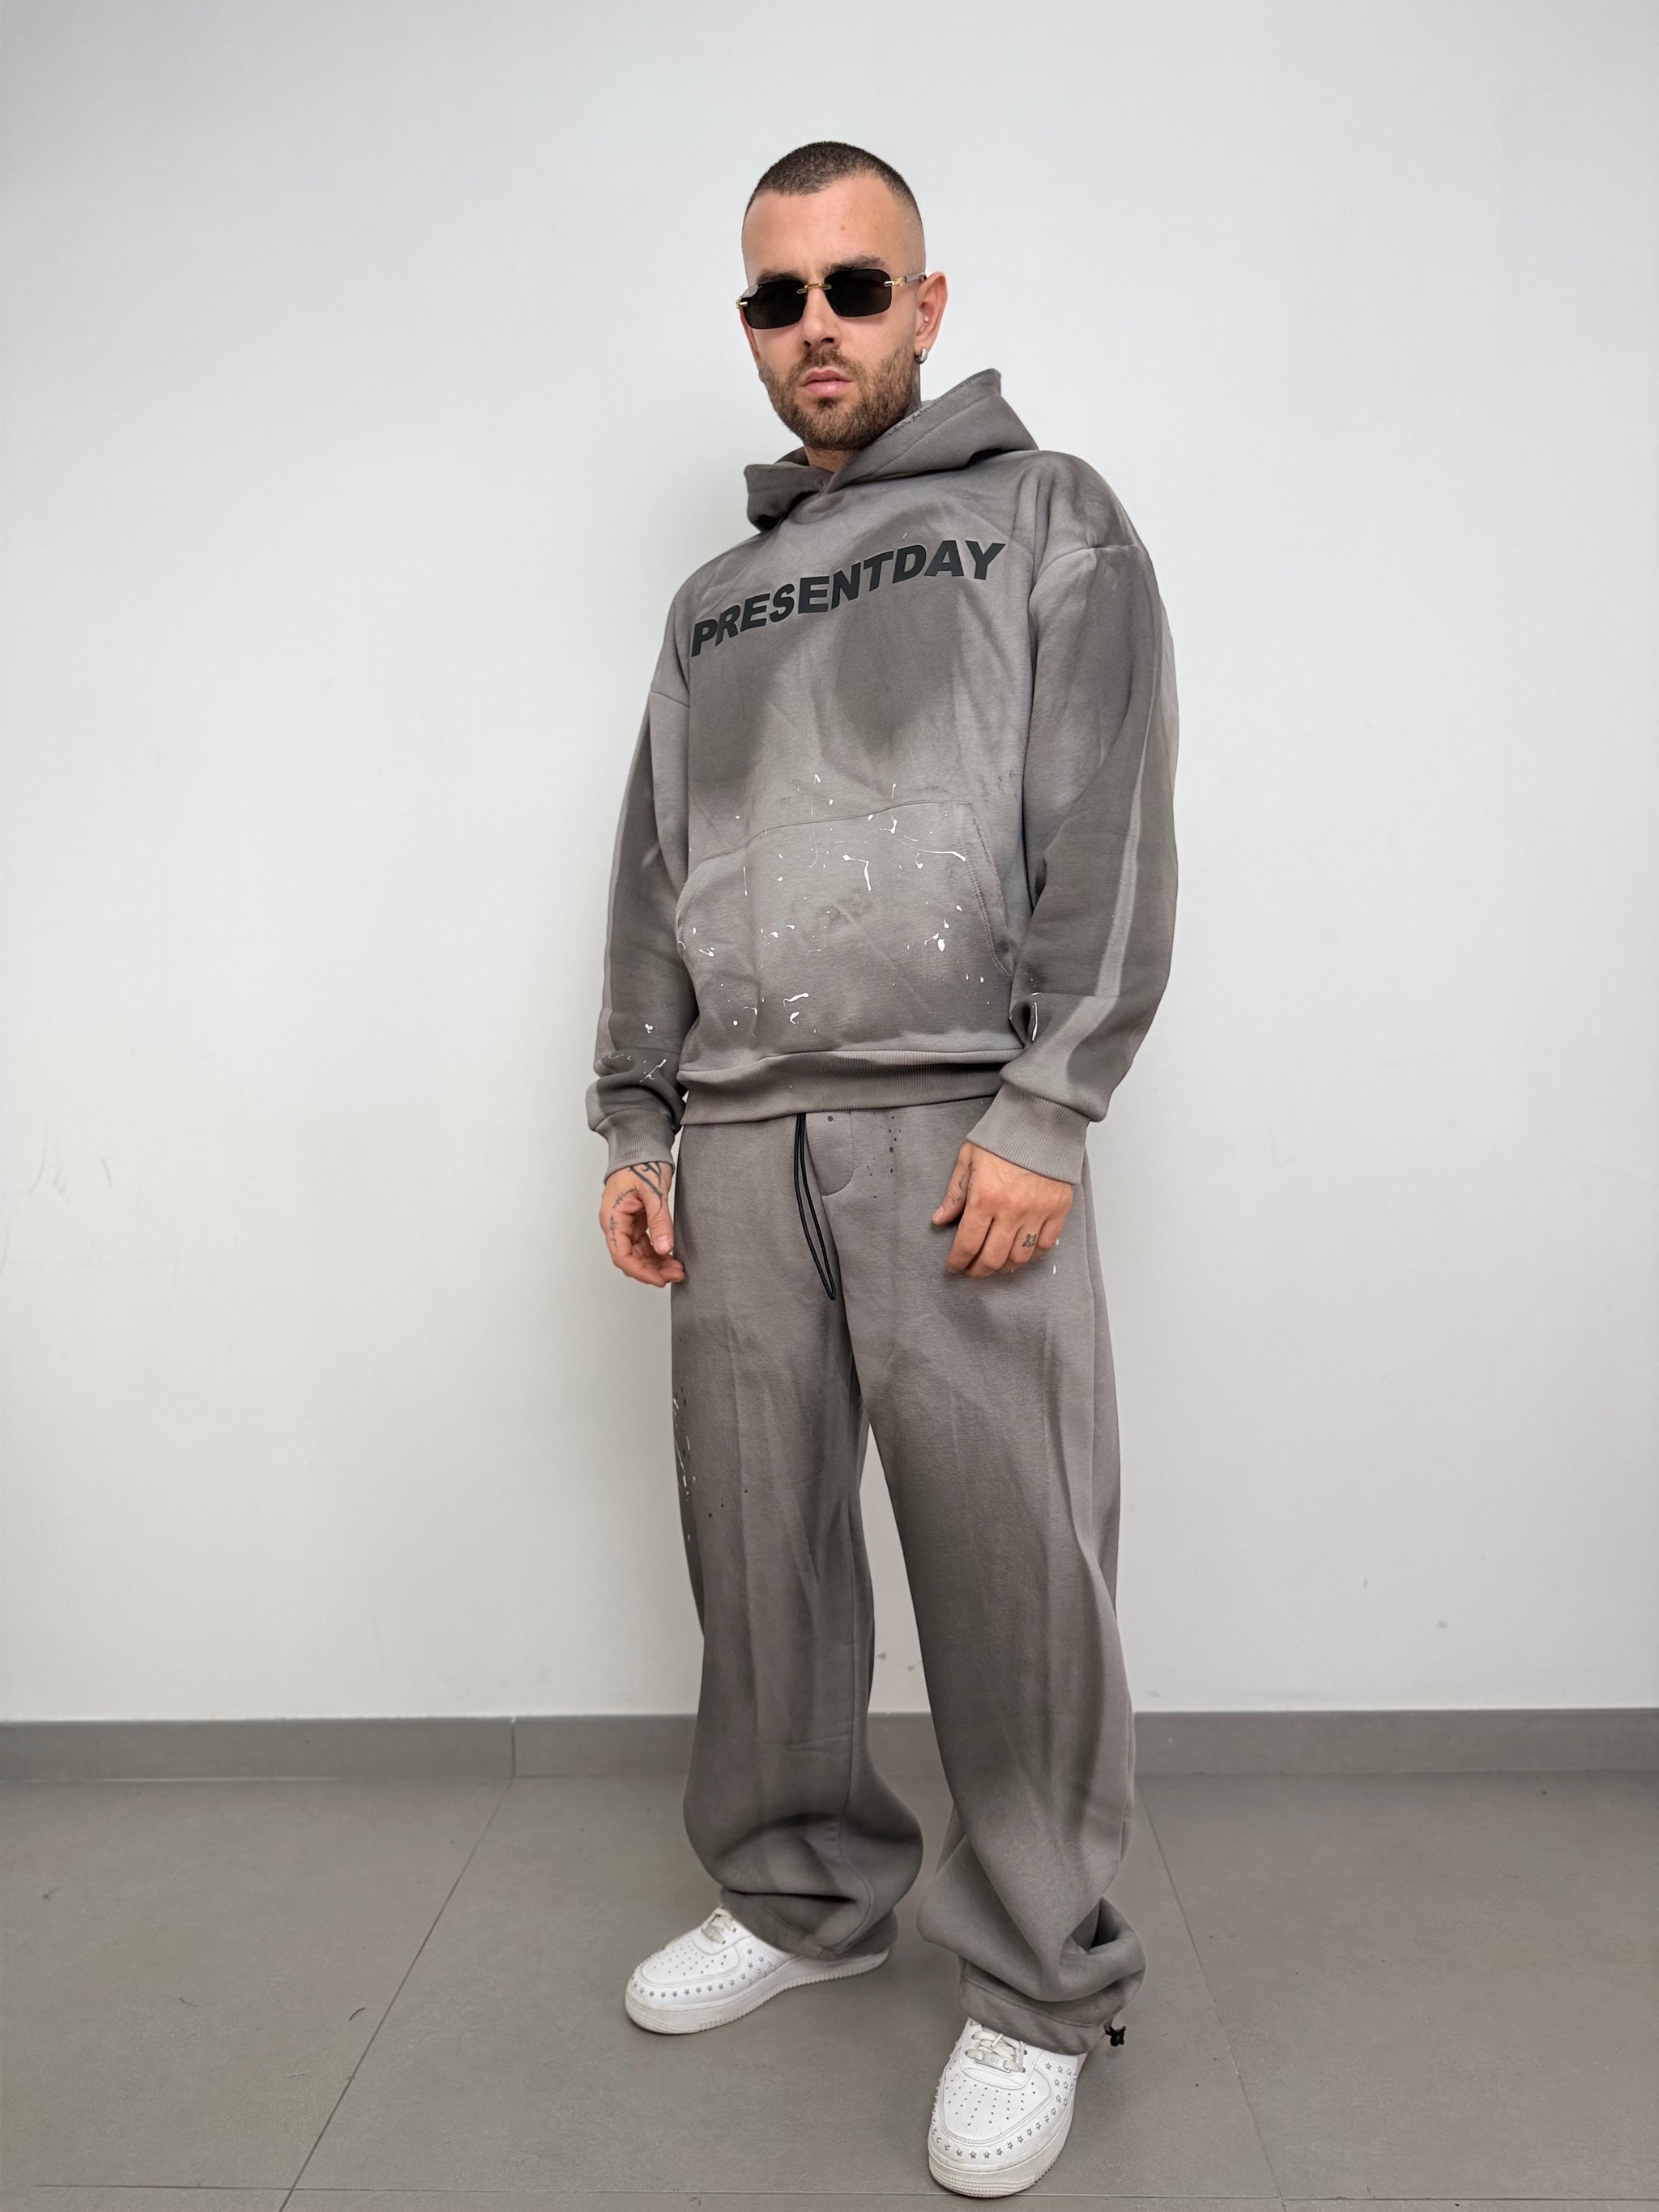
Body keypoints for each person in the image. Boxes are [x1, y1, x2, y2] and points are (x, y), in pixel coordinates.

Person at [587, 138, 1178, 2197]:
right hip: (739, 1130)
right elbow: (653, 866)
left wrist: (1049, 1101)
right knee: (755, 1554)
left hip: (955, 1125)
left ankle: (1036, 1978)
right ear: (749, 326)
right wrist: (637, 1110)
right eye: (779, 298)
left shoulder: (1045, 515)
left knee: (1012, 1567)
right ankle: (802, 1890)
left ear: (925, 306)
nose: (816, 328)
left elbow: (1107, 816)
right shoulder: (714, 600)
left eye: (855, 287)